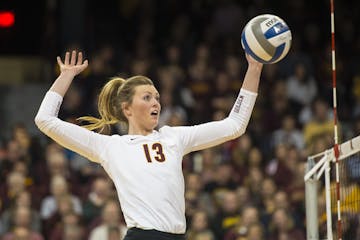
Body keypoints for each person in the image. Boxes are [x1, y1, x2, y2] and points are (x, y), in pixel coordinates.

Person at [35, 50, 263, 240]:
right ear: (127, 109)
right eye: (146, 97)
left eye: (157, 97)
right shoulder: (111, 147)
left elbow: (235, 125)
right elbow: (44, 120)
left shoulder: (173, 138)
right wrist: (66, 76)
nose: (155, 102)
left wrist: (254, 67)